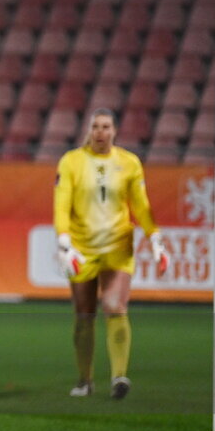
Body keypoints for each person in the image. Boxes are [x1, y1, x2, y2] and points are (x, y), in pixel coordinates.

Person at [54, 108, 170, 399]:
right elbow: (61, 203)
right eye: (96, 126)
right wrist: (64, 243)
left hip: (118, 246)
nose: (101, 132)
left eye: (106, 126)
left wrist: (155, 238)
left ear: (115, 130)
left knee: (115, 305)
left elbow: (141, 205)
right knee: (84, 315)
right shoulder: (72, 162)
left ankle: (119, 376)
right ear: (89, 130)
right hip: (82, 249)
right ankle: (85, 380)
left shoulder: (129, 163)